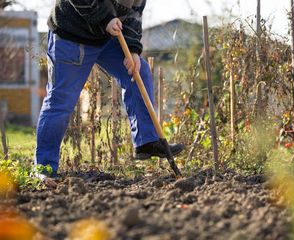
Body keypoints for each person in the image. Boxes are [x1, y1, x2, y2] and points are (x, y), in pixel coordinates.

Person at [35, 0, 184, 180]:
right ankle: (45, 169)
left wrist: (133, 50)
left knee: (139, 71)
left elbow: (133, 16)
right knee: (61, 100)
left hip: (105, 38)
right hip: (72, 35)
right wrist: (106, 18)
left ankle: (146, 141)